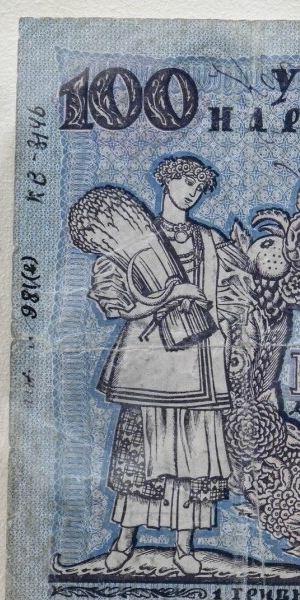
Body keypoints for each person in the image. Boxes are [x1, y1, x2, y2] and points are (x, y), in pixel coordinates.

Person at [88, 155, 251, 575]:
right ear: (166, 182)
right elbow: (113, 299)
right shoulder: (134, 238)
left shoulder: (211, 241)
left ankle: (184, 547)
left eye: (198, 186)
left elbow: (233, 297)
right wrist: (164, 298)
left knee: (195, 451)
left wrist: (224, 326)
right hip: (149, 365)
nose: (192, 192)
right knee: (141, 451)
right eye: (185, 182)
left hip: (198, 365)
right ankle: (125, 540)